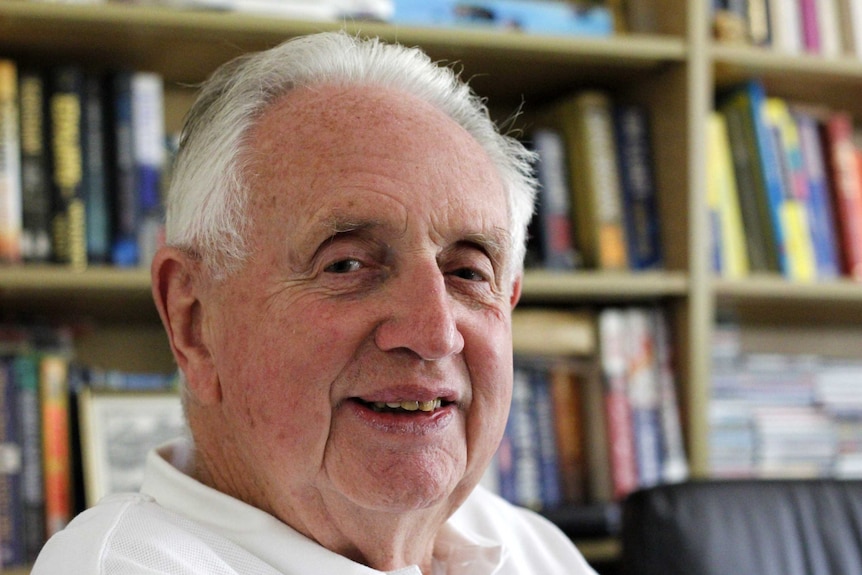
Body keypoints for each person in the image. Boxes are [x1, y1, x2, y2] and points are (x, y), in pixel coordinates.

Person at [32, 31, 598, 575]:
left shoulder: (531, 547)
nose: (435, 331)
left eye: (468, 271)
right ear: (194, 321)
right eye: (346, 264)